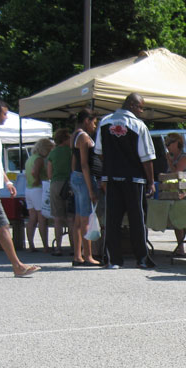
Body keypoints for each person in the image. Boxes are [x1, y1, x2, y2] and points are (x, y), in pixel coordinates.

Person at [94, 93, 156, 269]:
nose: (141, 111)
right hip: (134, 178)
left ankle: (113, 259)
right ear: (131, 105)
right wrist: (151, 181)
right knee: (137, 219)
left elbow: (98, 150)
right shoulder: (138, 125)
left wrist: (111, 162)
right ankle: (142, 258)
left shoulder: (105, 122)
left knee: (112, 219)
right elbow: (147, 157)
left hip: (112, 177)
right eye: (140, 107)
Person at [0, 99, 41, 277]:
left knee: (2, 226)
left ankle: (17, 266)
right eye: (4, 113)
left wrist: (8, 182)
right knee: (3, 225)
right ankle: (17, 266)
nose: (6, 117)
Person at [70, 108, 101, 266]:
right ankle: (88, 255)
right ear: (87, 120)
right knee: (85, 218)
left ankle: (77, 255)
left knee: (78, 218)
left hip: (76, 177)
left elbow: (74, 161)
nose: (95, 126)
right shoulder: (83, 136)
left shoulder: (74, 135)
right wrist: (90, 189)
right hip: (83, 178)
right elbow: (84, 164)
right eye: (94, 122)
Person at [164, 132, 186, 258]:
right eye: (166, 144)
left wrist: (169, 161)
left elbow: (177, 172)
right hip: (174, 194)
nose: (167, 146)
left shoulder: (183, 157)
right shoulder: (173, 158)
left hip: (185, 194)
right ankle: (180, 247)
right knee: (177, 221)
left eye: (169, 143)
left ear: (177, 143)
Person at [46, 128, 74, 256]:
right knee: (71, 218)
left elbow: (49, 174)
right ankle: (74, 247)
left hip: (56, 184)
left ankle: (58, 247)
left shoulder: (53, 153)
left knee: (57, 218)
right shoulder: (71, 152)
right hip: (70, 184)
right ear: (66, 139)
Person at [24, 137, 53, 253]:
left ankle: (31, 244)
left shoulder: (30, 159)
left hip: (28, 189)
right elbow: (34, 172)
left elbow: (28, 173)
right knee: (42, 218)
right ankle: (45, 246)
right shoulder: (39, 159)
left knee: (32, 218)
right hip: (38, 189)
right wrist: (37, 179)